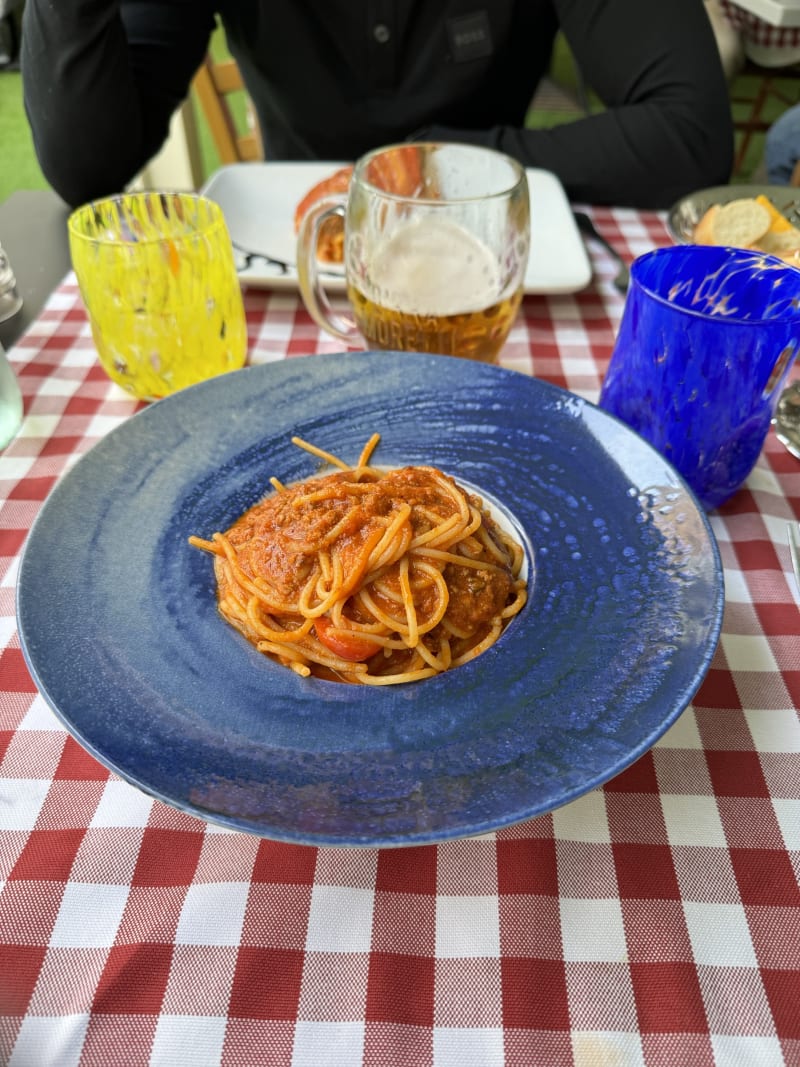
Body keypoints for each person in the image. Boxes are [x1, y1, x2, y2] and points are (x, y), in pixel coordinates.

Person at [21, 0, 734, 211]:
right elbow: (89, 168)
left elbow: (690, 130)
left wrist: (428, 167)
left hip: (490, 254)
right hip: (291, 276)